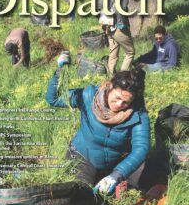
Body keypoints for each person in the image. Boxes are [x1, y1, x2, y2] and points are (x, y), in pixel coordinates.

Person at [46, 52, 150, 195]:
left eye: (126, 102)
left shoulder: (138, 113)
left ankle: (116, 180)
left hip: (116, 159)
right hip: (84, 155)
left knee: (144, 176)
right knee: (81, 194)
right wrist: (59, 72)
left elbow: (141, 148)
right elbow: (54, 99)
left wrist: (116, 175)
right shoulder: (88, 96)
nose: (119, 104)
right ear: (110, 86)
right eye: (117, 97)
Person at [103, 0, 135, 76]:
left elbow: (104, 11)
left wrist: (105, 27)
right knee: (130, 52)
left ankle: (111, 75)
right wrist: (123, 24)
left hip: (109, 29)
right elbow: (122, 10)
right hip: (119, 29)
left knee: (113, 52)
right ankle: (123, 76)